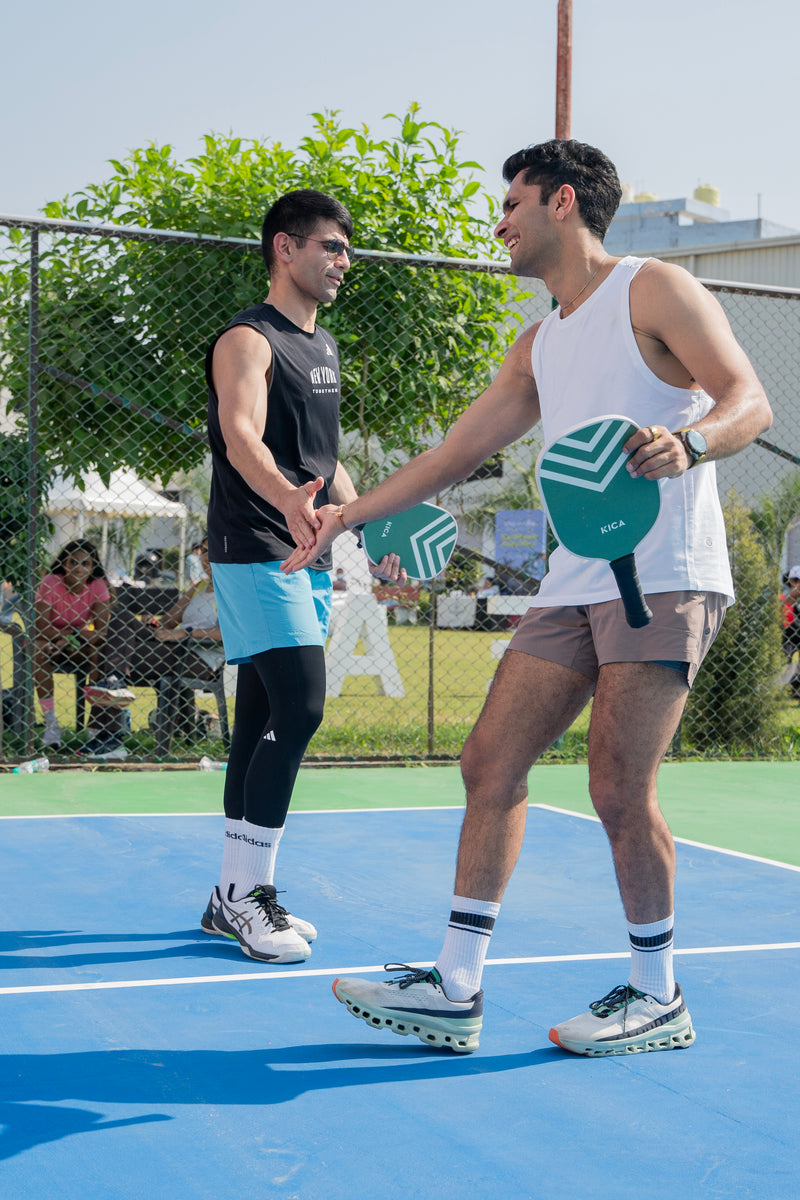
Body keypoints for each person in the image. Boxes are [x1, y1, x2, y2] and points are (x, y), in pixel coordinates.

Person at [282, 139, 773, 1054]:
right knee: (489, 762)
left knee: (619, 785)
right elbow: (451, 456)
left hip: (665, 571)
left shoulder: (654, 287)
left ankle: (656, 991)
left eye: (510, 203)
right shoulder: (542, 339)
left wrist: (695, 443)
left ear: (560, 203)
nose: (498, 222)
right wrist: (343, 520)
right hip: (576, 579)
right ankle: (457, 986)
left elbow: (749, 399)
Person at [200, 188, 404, 966]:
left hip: (308, 551)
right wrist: (285, 496)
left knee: (259, 718)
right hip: (256, 544)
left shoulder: (322, 346)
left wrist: (366, 524)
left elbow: (326, 461)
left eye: (347, 249)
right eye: (330, 247)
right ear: (285, 249)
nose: (343, 261)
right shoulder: (248, 340)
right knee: (304, 704)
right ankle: (250, 898)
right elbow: (240, 433)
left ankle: (231, 894)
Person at [81, 536, 223, 760]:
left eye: (213, 550)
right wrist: (153, 624)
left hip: (198, 656)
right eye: (203, 551)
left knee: (105, 653)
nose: (207, 557)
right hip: (171, 648)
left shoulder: (234, 589)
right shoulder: (199, 587)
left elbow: (228, 634)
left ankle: (107, 736)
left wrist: (185, 633)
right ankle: (114, 683)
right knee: (121, 616)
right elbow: (168, 621)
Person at [34, 540, 112, 750]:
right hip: (50, 642)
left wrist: (71, 637)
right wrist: (67, 636)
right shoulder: (51, 582)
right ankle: (51, 725)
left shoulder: (98, 586)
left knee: (100, 653)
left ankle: (94, 727)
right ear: (64, 564)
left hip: (78, 644)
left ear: (92, 567)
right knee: (37, 651)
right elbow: (40, 627)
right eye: (73, 562)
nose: (79, 568)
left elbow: (102, 632)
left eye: (85, 564)